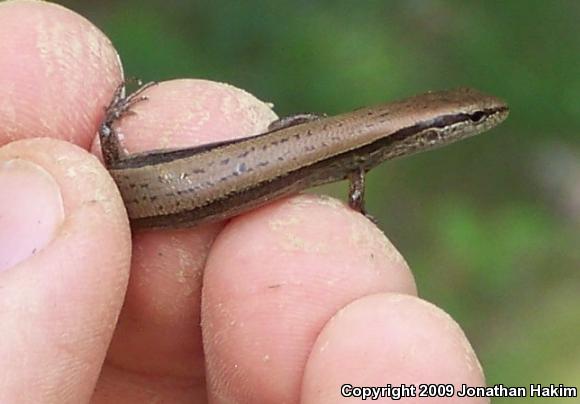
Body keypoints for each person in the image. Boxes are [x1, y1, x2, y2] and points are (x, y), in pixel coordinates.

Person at [0, 1, 487, 402]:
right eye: (470, 118)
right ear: (428, 131)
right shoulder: (358, 163)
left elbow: (299, 135)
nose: (478, 121)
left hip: (146, 191)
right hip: (145, 210)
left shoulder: (359, 147)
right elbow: (350, 191)